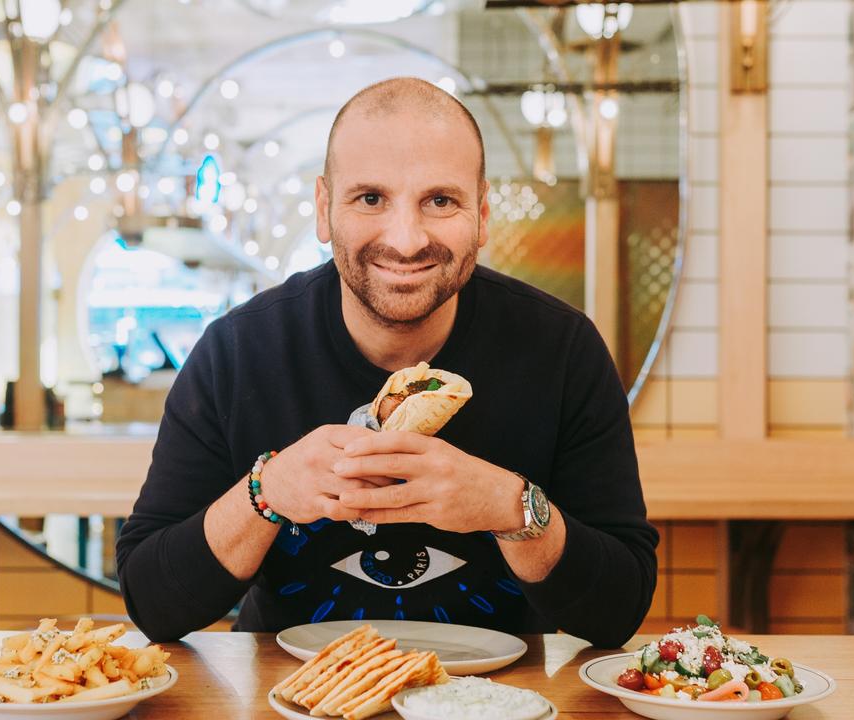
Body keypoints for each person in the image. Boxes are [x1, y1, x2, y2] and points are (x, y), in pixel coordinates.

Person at [116, 77, 657, 648]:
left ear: (483, 215)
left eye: (440, 200)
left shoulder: (562, 350)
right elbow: (153, 604)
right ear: (325, 210)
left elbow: (617, 612)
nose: (405, 240)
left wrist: (510, 507)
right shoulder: (237, 353)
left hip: (500, 703)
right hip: (289, 697)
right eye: (370, 198)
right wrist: (267, 490)